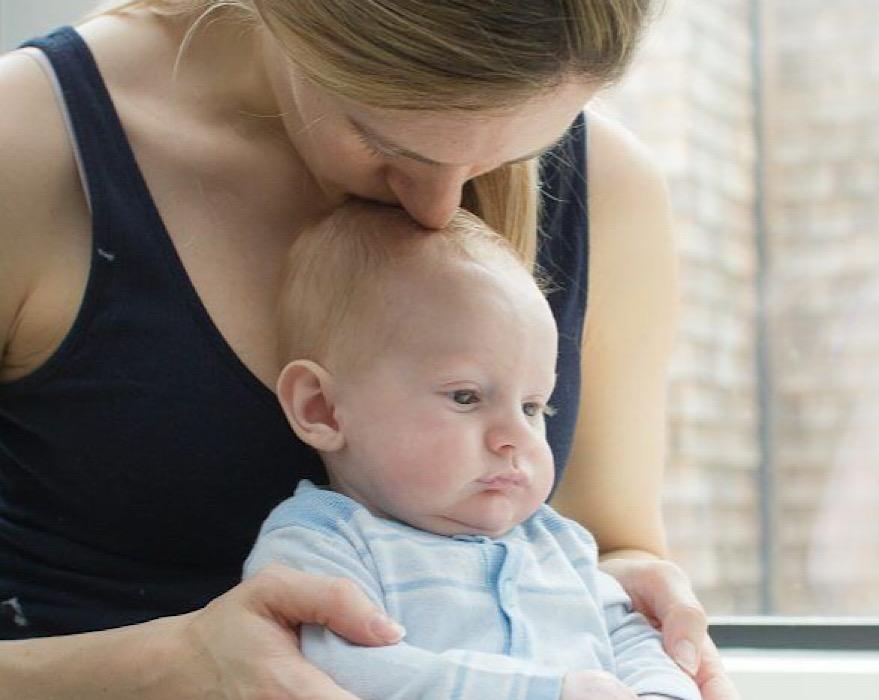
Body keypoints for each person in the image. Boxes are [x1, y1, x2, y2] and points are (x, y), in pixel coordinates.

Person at [0, 1, 739, 698]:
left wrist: (638, 599)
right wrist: (177, 668)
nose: (439, 209)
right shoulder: (26, 149)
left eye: (515, 152)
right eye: (386, 142)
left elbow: (610, 545)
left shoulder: (611, 188)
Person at [244, 200, 702, 700]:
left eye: (533, 407)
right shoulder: (322, 543)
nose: (516, 439)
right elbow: (350, 673)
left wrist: (662, 691)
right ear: (323, 409)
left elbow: (632, 640)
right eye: (466, 397)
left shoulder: (556, 544)